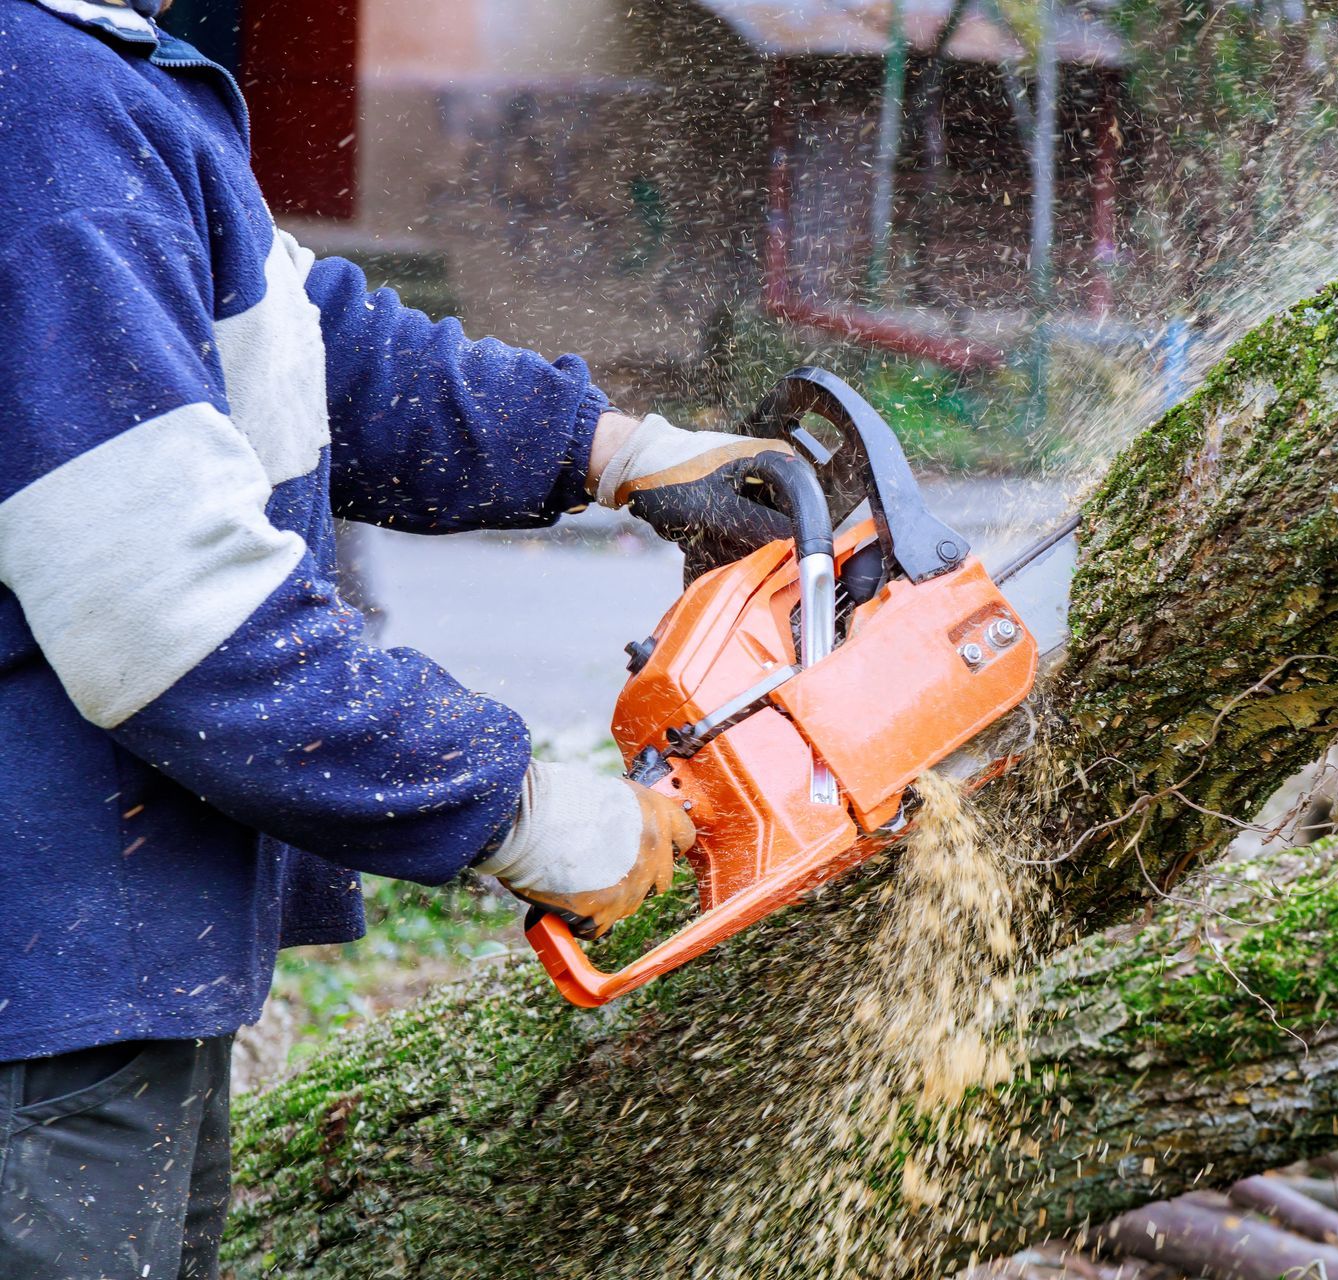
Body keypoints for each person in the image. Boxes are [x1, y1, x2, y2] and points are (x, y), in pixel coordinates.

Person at [0, 1, 796, 1275]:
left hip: (83, 968)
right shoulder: (39, 103)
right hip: (38, 991)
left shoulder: (85, 78)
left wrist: (615, 453)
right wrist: (527, 813)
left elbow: (291, 336)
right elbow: (177, 619)